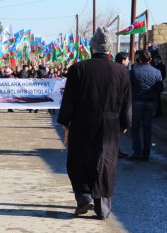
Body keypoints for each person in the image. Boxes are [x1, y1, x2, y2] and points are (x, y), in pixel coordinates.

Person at [58, 27, 132, 220]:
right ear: (110, 50)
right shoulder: (122, 71)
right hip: (110, 124)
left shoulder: (78, 68)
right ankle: (103, 207)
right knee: (105, 162)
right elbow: (127, 101)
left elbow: (69, 100)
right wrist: (125, 122)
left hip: (82, 122)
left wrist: (65, 121)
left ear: (91, 48)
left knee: (79, 159)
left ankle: (84, 198)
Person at [127, 50, 164, 161]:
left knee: (135, 128)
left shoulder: (133, 71)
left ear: (140, 59)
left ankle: (137, 152)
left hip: (136, 101)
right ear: (150, 59)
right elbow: (160, 88)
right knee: (147, 128)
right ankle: (146, 153)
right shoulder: (157, 72)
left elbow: (128, 86)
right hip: (150, 102)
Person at [115, 52, 130, 159]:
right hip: (119, 105)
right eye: (127, 59)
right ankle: (116, 151)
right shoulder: (124, 72)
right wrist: (127, 122)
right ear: (123, 60)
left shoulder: (111, 69)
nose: (128, 61)